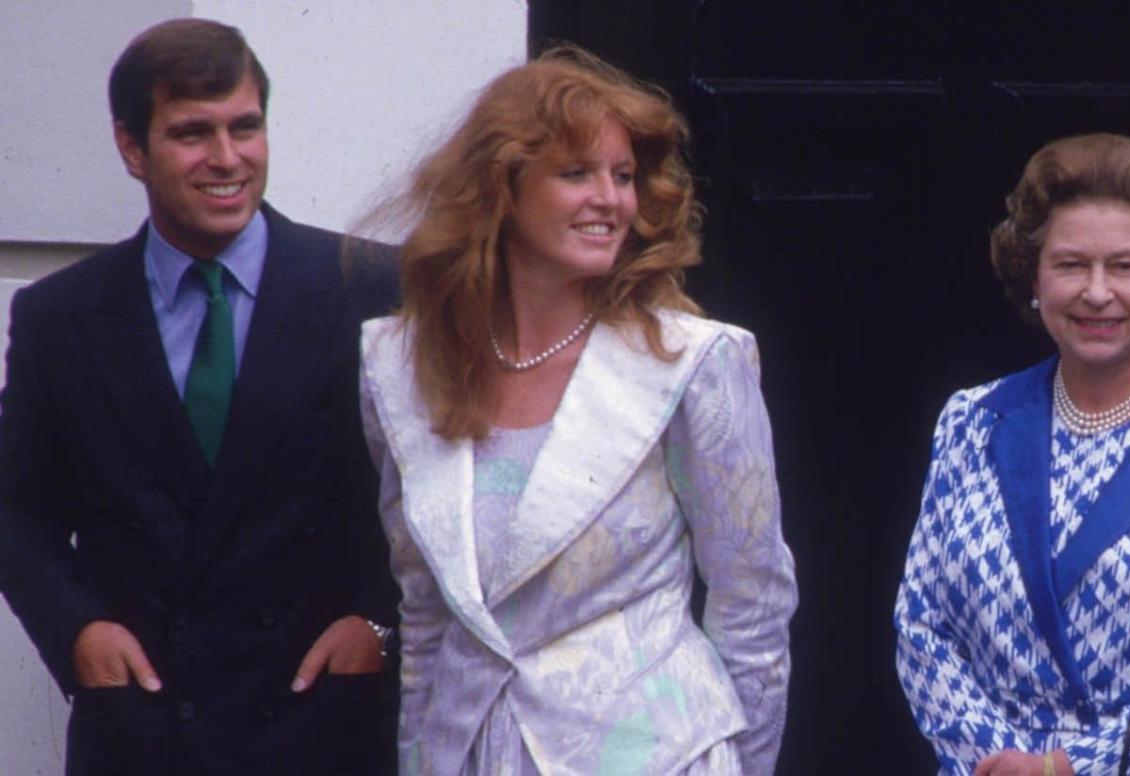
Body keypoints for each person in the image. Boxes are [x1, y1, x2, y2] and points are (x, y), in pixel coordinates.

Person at [358, 46, 798, 775]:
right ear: (503, 188)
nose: (611, 199)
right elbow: (427, 614)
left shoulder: (692, 362)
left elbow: (753, 607)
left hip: (656, 757)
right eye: (576, 173)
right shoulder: (401, 368)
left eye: (623, 176)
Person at [0, 18, 400, 776]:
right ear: (131, 148)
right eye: (192, 133)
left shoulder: (371, 286)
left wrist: (381, 625)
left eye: (245, 127)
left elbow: (444, 494)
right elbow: (18, 510)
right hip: (146, 734)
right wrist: (76, 629)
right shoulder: (60, 317)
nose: (227, 159)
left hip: (324, 727)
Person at [893, 132, 1130, 775]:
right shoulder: (973, 422)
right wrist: (998, 762)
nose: (1098, 291)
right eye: (1072, 264)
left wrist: (1067, 767)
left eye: (1125, 266)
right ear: (1034, 277)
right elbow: (922, 626)